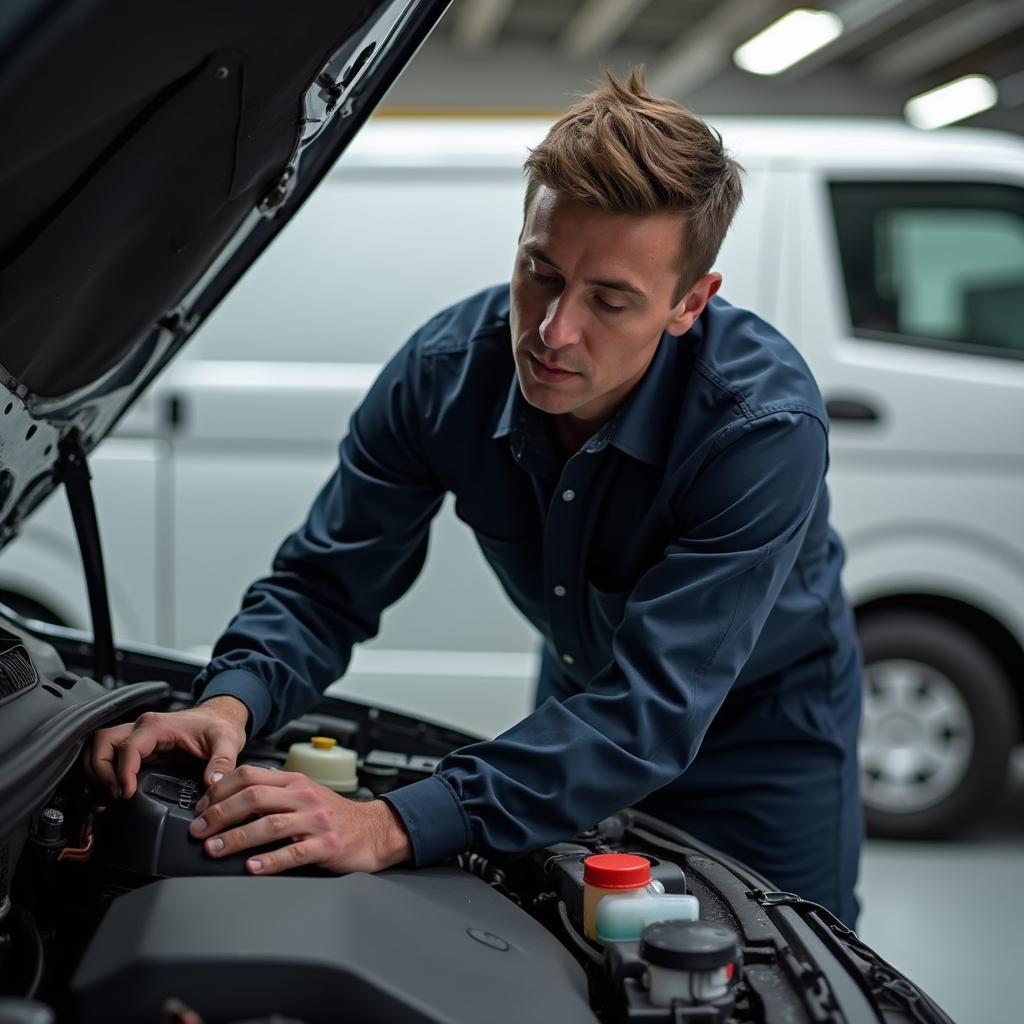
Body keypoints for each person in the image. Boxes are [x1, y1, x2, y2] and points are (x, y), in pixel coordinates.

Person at [89, 69, 863, 926]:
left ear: (690, 303)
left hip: (761, 737)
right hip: (584, 695)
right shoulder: (442, 376)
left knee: (775, 971)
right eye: (541, 272)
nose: (553, 333)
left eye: (610, 300)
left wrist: (389, 823)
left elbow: (653, 709)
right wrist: (229, 701)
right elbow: (324, 587)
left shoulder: (758, 430)